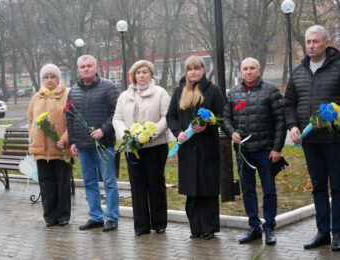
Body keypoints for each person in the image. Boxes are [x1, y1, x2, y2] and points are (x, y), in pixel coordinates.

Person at [285, 25, 340, 251]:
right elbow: (289, 103)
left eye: (315, 41)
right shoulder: (298, 72)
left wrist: (332, 116)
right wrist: (293, 126)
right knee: (318, 186)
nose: (311, 45)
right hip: (310, 141)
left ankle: (337, 232)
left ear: (326, 43)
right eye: (308, 42)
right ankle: (322, 231)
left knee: (337, 186)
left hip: (335, 140)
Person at [223, 57, 285, 245]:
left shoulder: (271, 91)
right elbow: (225, 119)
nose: (248, 71)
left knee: (269, 190)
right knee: (248, 190)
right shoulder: (232, 93)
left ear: (259, 70)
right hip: (243, 152)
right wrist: (232, 132)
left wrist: (277, 148)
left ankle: (269, 228)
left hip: (265, 150)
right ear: (240, 71)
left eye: (252, 68)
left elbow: (280, 122)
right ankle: (254, 227)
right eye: (245, 69)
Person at [166, 56, 224, 240]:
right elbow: (171, 116)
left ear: (203, 70)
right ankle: (195, 228)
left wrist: (208, 126)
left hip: (207, 149)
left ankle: (209, 227)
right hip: (187, 150)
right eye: (190, 69)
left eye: (197, 68)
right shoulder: (178, 92)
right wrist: (178, 132)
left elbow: (223, 116)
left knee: (207, 189)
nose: (193, 72)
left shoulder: (213, 91)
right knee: (192, 191)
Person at [113, 60, 170, 236]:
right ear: (133, 75)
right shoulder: (124, 96)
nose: (142, 75)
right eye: (138, 72)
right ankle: (141, 225)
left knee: (155, 184)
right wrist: (126, 135)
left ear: (151, 74)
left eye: (145, 72)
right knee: (137, 186)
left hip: (155, 146)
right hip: (132, 148)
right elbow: (117, 118)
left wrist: (149, 133)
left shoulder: (160, 93)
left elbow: (166, 117)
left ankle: (159, 223)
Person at [66, 55, 120, 232]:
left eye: (89, 66)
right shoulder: (73, 90)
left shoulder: (109, 87)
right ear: (78, 69)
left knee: (109, 182)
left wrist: (103, 129)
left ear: (96, 67)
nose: (86, 69)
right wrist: (72, 141)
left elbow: (116, 113)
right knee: (89, 182)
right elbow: (70, 117)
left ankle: (112, 218)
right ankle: (96, 217)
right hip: (83, 146)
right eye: (82, 67)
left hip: (104, 145)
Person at [28, 64, 72, 227]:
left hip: (60, 149)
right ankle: (49, 216)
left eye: (53, 77)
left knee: (62, 183)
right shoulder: (36, 97)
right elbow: (31, 120)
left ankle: (63, 216)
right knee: (46, 184)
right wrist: (33, 138)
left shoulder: (66, 95)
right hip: (41, 151)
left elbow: (72, 121)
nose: (49, 80)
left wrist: (65, 139)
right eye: (46, 77)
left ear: (58, 78)